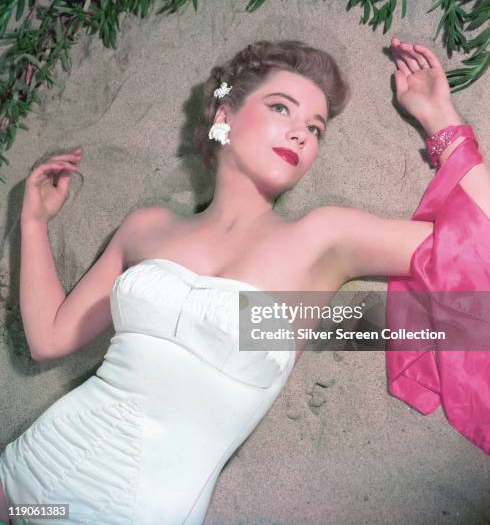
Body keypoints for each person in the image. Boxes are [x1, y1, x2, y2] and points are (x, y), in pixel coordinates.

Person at [1, 37, 489, 524]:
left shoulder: (321, 241)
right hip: (25, 473)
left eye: (316, 128)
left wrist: (438, 117)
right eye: (282, 108)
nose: (301, 134)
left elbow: (477, 244)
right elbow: (49, 337)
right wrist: (33, 223)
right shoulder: (148, 226)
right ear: (224, 118)